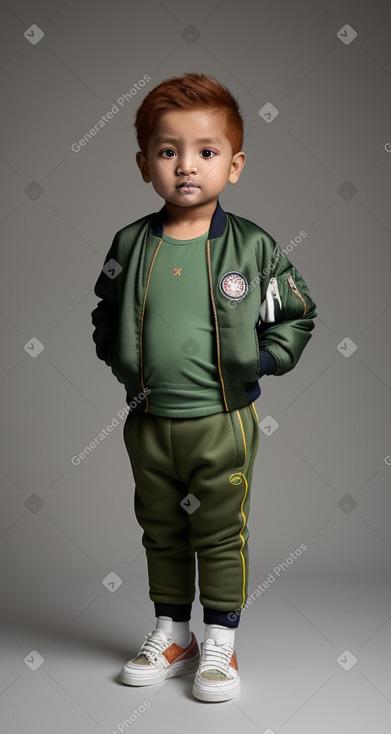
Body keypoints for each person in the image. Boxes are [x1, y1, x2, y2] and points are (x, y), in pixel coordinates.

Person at [91, 72, 317, 703]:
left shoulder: (254, 248)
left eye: (206, 151)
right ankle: (172, 631)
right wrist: (120, 362)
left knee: (219, 530)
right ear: (144, 164)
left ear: (235, 164)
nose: (186, 166)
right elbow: (104, 310)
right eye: (168, 151)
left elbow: (298, 313)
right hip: (148, 420)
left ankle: (221, 639)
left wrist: (264, 363)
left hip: (223, 420)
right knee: (160, 526)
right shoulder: (131, 244)